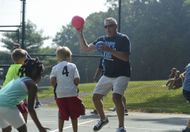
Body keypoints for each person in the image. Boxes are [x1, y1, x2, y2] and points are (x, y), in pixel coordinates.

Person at [76, 17, 131, 132]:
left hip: (122, 74)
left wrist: (109, 50)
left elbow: (125, 58)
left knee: (116, 97)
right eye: (106, 26)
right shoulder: (101, 39)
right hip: (107, 74)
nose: (108, 28)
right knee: (95, 97)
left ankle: (121, 127)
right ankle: (103, 119)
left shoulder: (123, 39)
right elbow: (85, 49)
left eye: (110, 25)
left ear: (116, 26)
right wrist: (80, 33)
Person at [0, 58, 49, 132]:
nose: (41, 76)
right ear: (36, 73)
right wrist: (40, 127)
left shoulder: (19, 79)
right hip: (7, 106)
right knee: (23, 130)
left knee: (6, 129)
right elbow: (31, 109)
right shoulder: (32, 85)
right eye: (40, 73)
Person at [50, 46, 85, 132]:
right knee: (74, 115)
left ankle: (60, 130)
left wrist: (57, 87)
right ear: (68, 56)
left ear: (58, 57)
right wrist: (74, 85)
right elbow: (77, 80)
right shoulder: (73, 66)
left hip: (60, 93)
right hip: (72, 93)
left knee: (61, 113)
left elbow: (52, 81)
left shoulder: (55, 68)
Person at [1, 48, 28, 132]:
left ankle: (18, 124)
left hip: (4, 92)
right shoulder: (20, 67)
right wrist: (24, 98)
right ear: (21, 59)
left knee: (6, 127)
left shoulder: (11, 67)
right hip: (11, 95)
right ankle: (22, 125)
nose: (26, 59)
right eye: (25, 57)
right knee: (25, 112)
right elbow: (21, 83)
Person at [182, 63, 190, 132]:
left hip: (185, 90)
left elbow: (182, 75)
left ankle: (188, 129)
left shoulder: (188, 65)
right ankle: (187, 129)